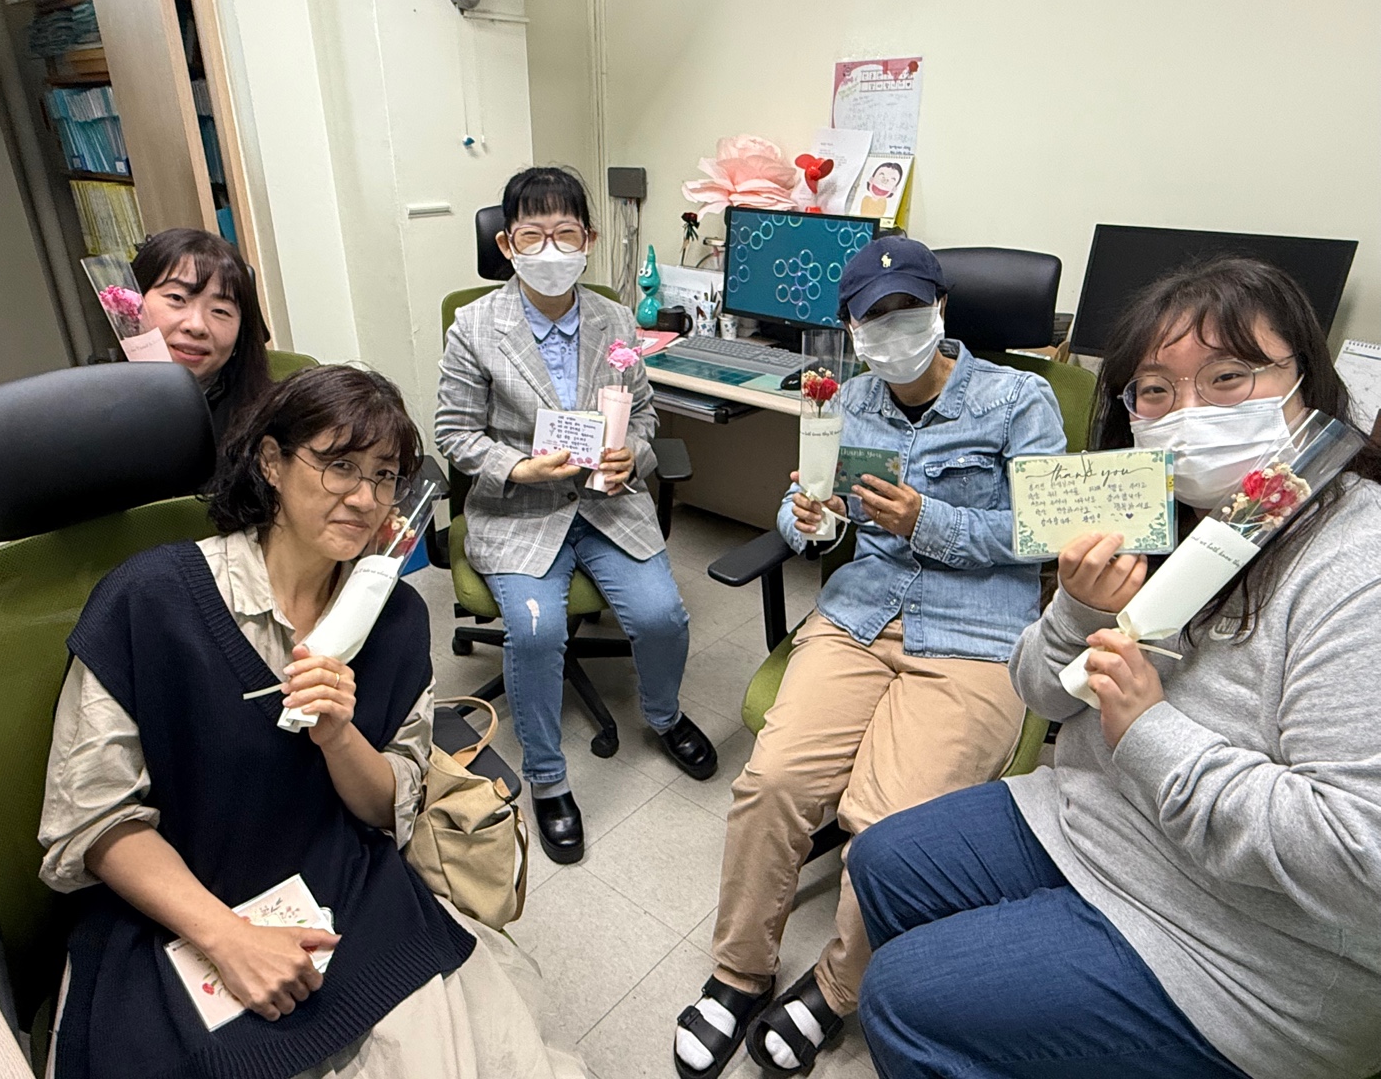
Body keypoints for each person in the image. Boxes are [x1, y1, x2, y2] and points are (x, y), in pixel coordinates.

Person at [849, 257, 1381, 1079]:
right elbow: (1040, 692)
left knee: (900, 996)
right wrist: (1078, 610)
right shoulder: (1157, 509)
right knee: (878, 861)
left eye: (1229, 377)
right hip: (1098, 812)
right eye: (1156, 390)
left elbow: (1359, 857)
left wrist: (1148, 729)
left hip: (1245, 949)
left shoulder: (1356, 563)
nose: (1189, 413)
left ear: (1305, 378)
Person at [39, 366, 587, 1079]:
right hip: (183, 908)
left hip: (342, 884)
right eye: (339, 465)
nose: (365, 498)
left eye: (385, 476)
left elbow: (390, 806)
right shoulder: (150, 601)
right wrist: (228, 937)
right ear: (271, 462)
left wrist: (337, 735)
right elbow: (93, 820)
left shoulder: (395, 618)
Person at [674, 236, 1067, 1079]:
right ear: (851, 331)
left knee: (885, 827)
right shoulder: (844, 401)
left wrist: (929, 521)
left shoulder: (1018, 399)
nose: (892, 329)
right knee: (773, 780)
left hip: (973, 637)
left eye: (906, 310)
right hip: (860, 617)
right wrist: (806, 522)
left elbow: (1046, 532)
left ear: (940, 308)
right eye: (872, 318)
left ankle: (834, 990)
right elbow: (810, 510)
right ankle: (740, 970)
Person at [434, 166, 715, 866]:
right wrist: (518, 467)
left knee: (662, 616)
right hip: (521, 510)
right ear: (507, 244)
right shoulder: (476, 327)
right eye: (534, 235)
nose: (552, 249)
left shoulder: (615, 320)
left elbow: (644, 416)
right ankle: (548, 778)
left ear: (588, 240)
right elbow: (454, 434)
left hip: (608, 503)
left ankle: (664, 716)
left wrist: (633, 456)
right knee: (537, 631)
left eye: (566, 233)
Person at [133, 227, 273, 441]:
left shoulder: (271, 424)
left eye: (220, 311)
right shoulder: (92, 413)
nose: (197, 326)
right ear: (131, 303)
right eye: (177, 298)